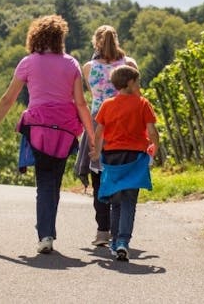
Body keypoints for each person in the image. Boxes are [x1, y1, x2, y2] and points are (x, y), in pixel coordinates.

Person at [0, 14, 95, 254]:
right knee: (53, 181)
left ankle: (45, 234)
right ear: (60, 38)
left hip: (38, 127)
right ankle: (47, 229)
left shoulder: (28, 62)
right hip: (65, 129)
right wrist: (92, 136)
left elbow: (9, 97)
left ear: (35, 37)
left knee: (44, 181)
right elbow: (81, 103)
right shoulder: (72, 64)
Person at [74, 25, 137, 247]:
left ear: (95, 43)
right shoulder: (129, 65)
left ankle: (102, 230)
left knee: (99, 177)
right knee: (121, 174)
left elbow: (94, 95)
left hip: (98, 122)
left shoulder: (89, 67)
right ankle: (120, 229)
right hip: (125, 124)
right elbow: (136, 95)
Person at [89, 65, 159, 261]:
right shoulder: (143, 104)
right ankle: (122, 241)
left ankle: (114, 241)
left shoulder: (107, 105)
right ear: (130, 83)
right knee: (130, 200)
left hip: (112, 157)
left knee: (115, 200)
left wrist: (96, 151)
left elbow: (99, 131)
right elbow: (152, 131)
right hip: (135, 157)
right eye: (137, 81)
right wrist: (156, 147)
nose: (139, 85)